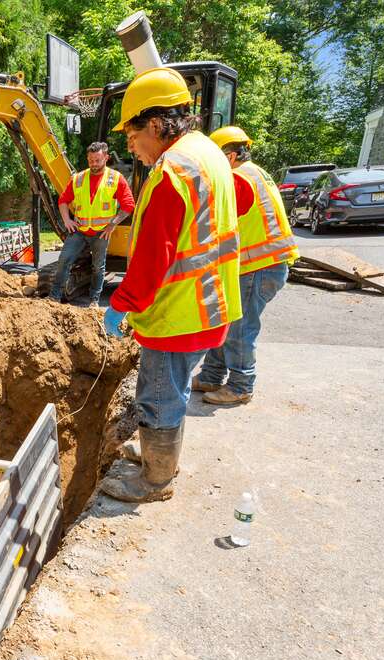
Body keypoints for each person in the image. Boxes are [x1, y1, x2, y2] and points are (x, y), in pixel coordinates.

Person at [98, 67, 242, 504]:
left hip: (177, 314)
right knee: (172, 392)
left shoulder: (171, 172)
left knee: (159, 397)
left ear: (157, 124)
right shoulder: (208, 153)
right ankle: (157, 455)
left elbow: (152, 259)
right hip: (209, 304)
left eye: (133, 136)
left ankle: (154, 481)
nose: (132, 148)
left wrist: (121, 303)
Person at [188, 126, 299, 405]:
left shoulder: (238, 179)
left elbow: (216, 223)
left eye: (216, 157)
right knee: (227, 321)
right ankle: (213, 374)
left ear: (232, 155)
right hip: (262, 265)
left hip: (259, 266)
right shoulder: (255, 172)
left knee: (239, 327)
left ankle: (241, 385)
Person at [49, 142, 135, 306]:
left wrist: (113, 224)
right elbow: (63, 201)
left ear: (106, 158)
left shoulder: (115, 179)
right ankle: (54, 296)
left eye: (97, 160)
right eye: (91, 161)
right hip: (79, 230)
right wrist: (67, 220)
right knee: (64, 260)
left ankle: (94, 300)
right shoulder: (78, 178)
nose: (94, 164)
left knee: (98, 267)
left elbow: (129, 206)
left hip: (101, 232)